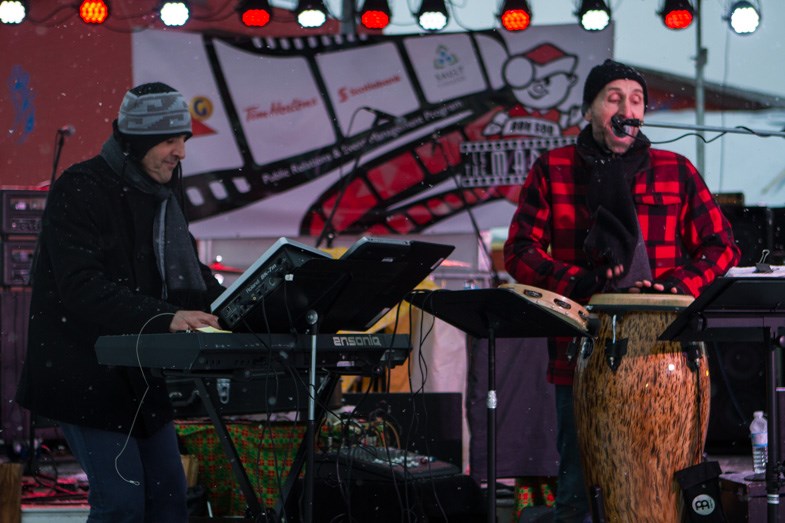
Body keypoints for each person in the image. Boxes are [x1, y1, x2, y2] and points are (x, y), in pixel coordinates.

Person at [503, 59, 741, 522]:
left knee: (667, 491)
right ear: (590, 109)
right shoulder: (552, 168)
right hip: (583, 349)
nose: (626, 106)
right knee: (579, 488)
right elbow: (519, 252)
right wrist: (580, 284)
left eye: (636, 100)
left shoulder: (677, 169)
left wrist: (675, 286)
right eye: (613, 97)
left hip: (669, 355)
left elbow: (722, 245)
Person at [16, 82, 226, 522]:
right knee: (122, 506)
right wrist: (166, 316)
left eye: (183, 140)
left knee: (170, 499)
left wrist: (253, 302)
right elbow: (82, 287)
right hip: (82, 375)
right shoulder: (80, 188)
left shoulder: (162, 195)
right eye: (170, 140)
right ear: (139, 141)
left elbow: (194, 281)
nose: (181, 153)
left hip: (140, 378)